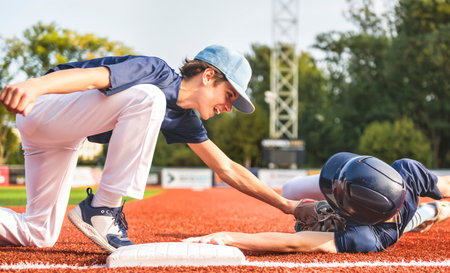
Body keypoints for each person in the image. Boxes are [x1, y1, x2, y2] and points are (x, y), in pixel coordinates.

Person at [0, 45, 298, 252]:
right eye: (229, 94)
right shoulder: (156, 72)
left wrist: (286, 206)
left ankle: (97, 210)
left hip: (61, 138)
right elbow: (93, 78)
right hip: (45, 106)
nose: (229, 107)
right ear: (208, 76)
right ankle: (103, 208)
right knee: (150, 98)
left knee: (38, 234)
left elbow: (227, 168)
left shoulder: (184, 118)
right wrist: (36, 85)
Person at [184, 153, 450, 253]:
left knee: (291, 191)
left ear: (353, 215)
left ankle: (433, 210)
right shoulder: (408, 172)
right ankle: (434, 210)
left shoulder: (366, 237)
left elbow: (293, 242)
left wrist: (228, 237)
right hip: (392, 211)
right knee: (289, 191)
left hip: (390, 224)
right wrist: (289, 205)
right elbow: (445, 185)